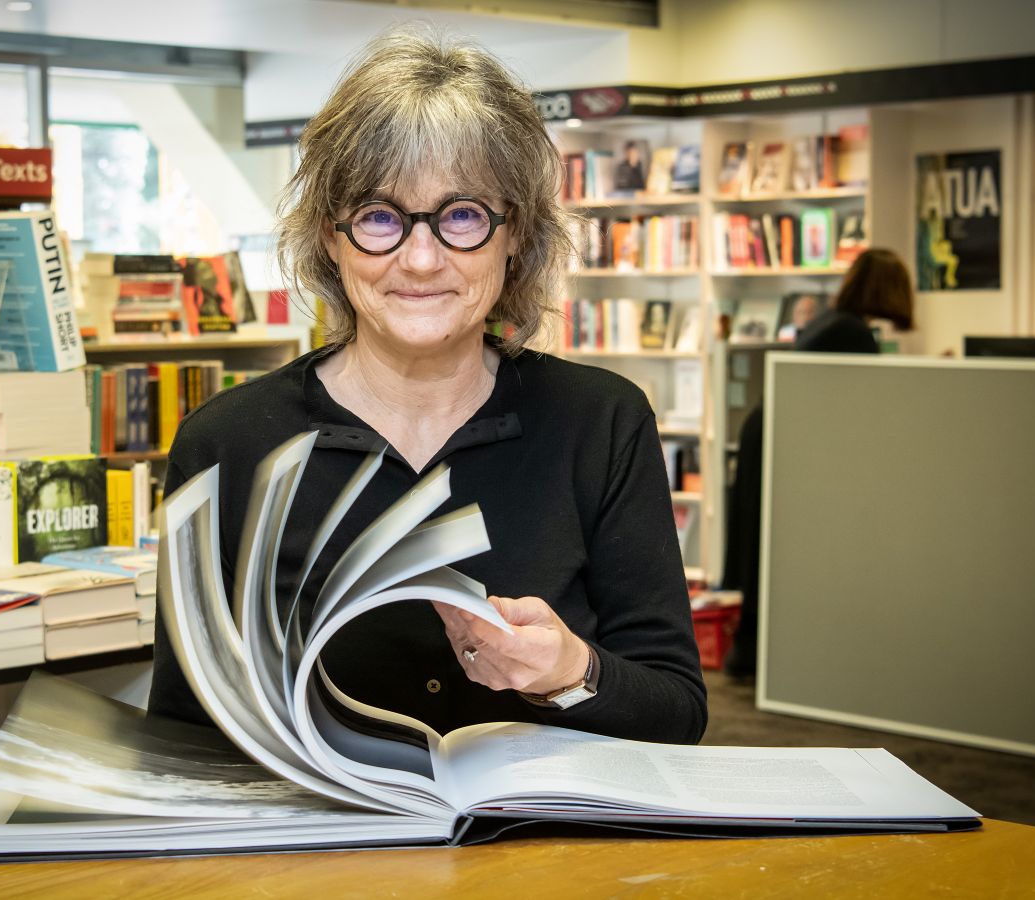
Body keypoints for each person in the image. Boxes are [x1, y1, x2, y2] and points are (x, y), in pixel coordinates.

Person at [148, 30, 708, 745]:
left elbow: (679, 712)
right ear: (331, 236)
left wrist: (572, 669)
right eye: (380, 216)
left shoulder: (600, 422)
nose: (419, 258)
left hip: (547, 851)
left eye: (462, 215)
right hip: (322, 854)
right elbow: (181, 733)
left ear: (516, 235)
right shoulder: (226, 443)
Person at [722, 248, 916, 678]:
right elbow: (862, 404)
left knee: (763, 546)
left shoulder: (834, 322)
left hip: (768, 432)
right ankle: (751, 657)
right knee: (772, 548)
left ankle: (749, 654)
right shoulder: (853, 334)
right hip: (781, 439)